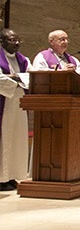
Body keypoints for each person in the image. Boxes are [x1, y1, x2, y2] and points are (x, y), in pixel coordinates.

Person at [0, 29, 32, 191]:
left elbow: (32, 76)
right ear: (2, 42)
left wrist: (15, 77)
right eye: (12, 40)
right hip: (3, 102)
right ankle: (1, 177)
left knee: (17, 137)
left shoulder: (24, 60)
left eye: (18, 39)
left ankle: (12, 175)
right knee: (4, 137)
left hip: (19, 103)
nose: (17, 43)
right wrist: (17, 78)